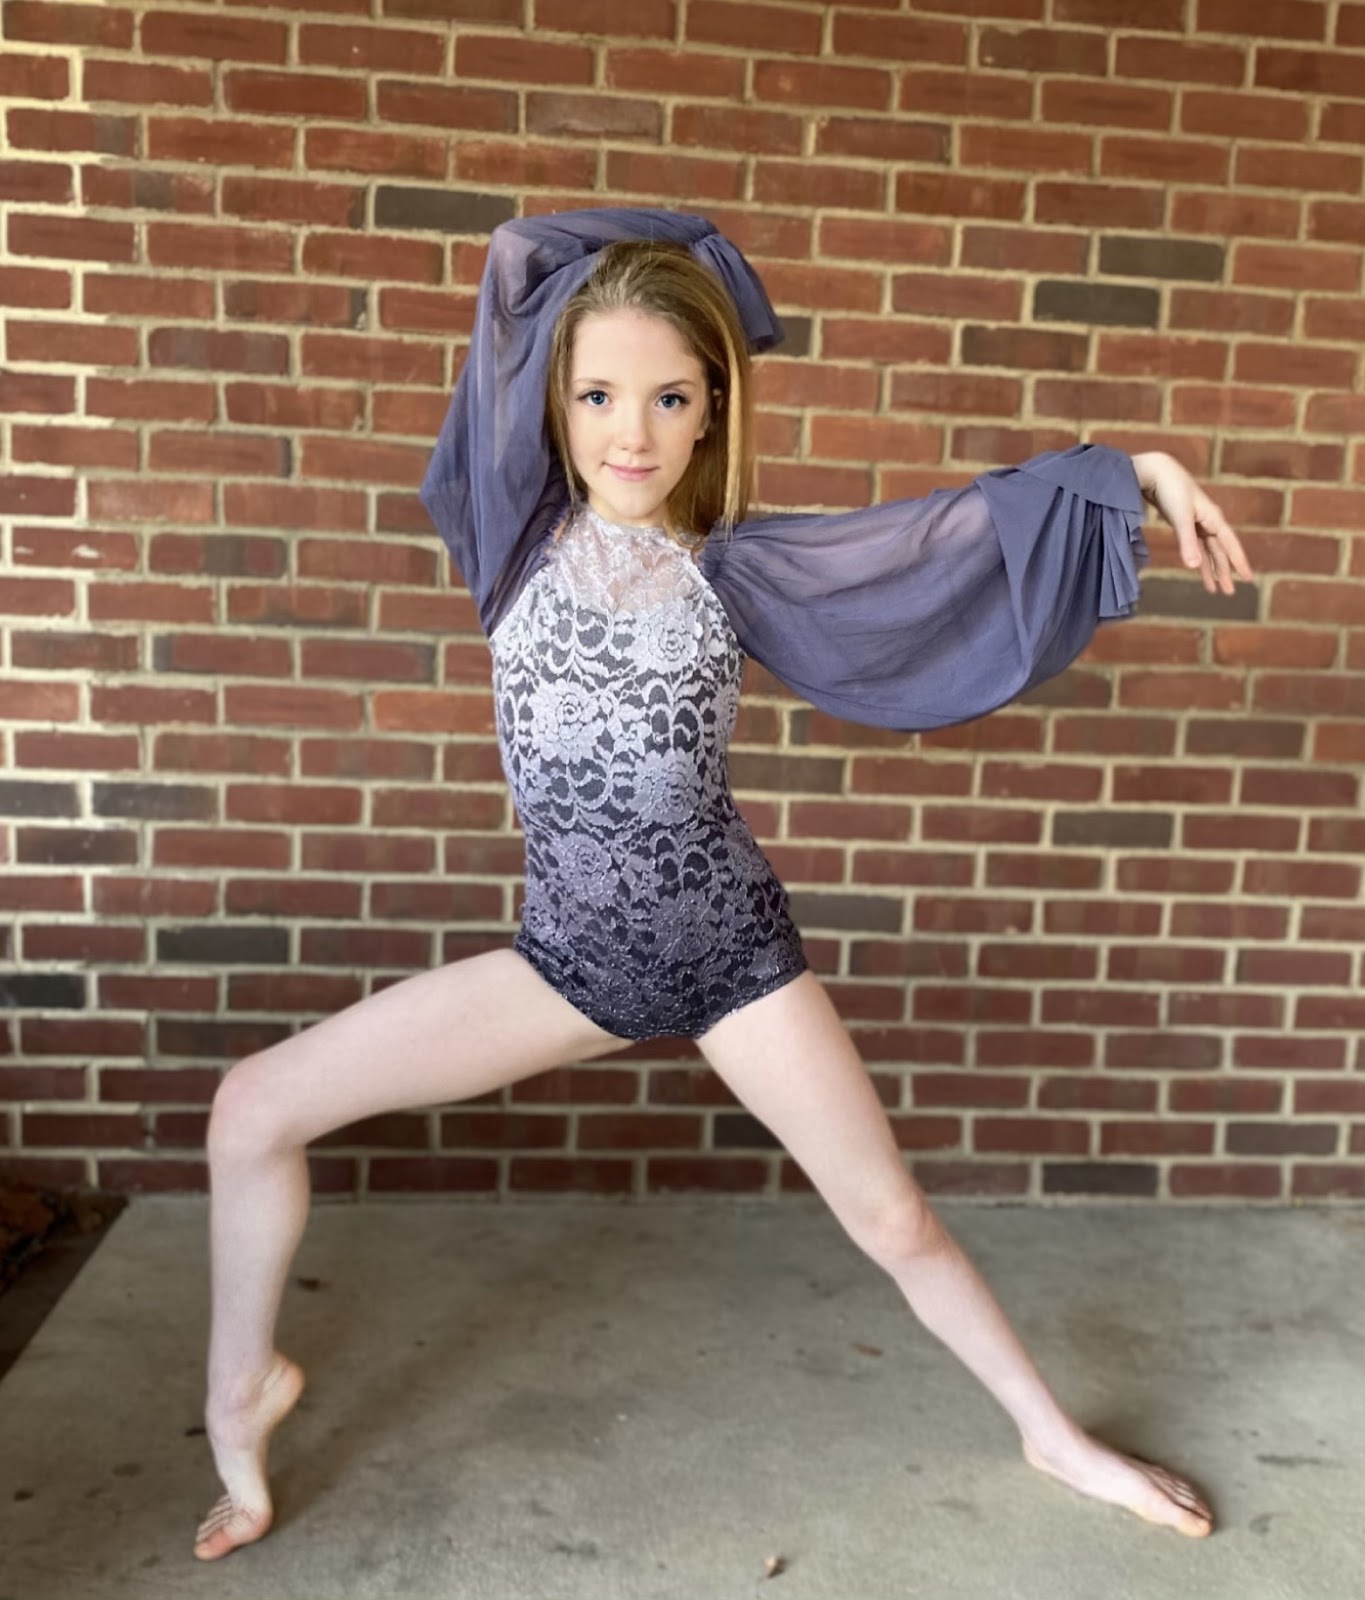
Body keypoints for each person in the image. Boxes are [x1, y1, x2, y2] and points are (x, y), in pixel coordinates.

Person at [194, 208, 1253, 1560]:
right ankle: (241, 1392)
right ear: (552, 405)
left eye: (670, 397)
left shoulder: (734, 571)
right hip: (566, 964)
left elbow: (934, 537)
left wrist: (1137, 472)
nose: (631, 432)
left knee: (894, 1217)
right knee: (251, 1110)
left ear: (709, 415)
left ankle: (1052, 1434)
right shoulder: (505, 540)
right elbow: (517, 255)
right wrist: (686, 253)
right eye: (597, 395)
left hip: (729, 954)